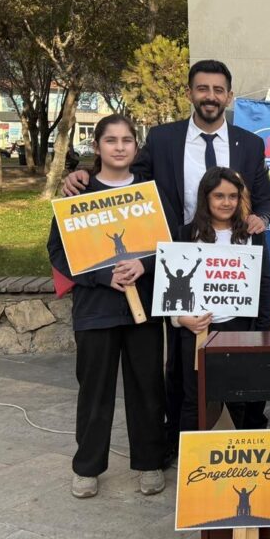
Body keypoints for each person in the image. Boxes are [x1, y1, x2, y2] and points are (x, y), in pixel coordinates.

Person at [62, 60, 270, 458]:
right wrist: (83, 179)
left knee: (240, 364)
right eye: (202, 88)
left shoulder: (250, 144)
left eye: (218, 90)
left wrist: (259, 217)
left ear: (229, 96)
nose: (210, 96)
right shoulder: (163, 139)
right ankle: (177, 446)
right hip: (177, 262)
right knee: (180, 365)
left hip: (233, 267)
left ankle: (246, 445)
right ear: (190, 93)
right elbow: (124, 179)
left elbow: (264, 198)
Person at [47, 113, 167, 500]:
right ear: (97, 146)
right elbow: (58, 252)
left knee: (147, 389)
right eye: (111, 140)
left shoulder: (150, 194)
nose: (119, 147)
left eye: (126, 140)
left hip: (144, 310)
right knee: (95, 392)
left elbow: (170, 245)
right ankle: (87, 467)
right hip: (95, 311)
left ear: (136, 146)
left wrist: (144, 265)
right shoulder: (79, 193)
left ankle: (149, 462)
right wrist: (102, 276)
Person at [170, 166, 270, 434]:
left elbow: (264, 283)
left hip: (240, 328)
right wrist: (181, 319)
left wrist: (262, 330)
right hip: (197, 329)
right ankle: (192, 457)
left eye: (232, 196)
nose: (226, 202)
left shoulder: (253, 235)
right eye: (219, 196)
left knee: (236, 399)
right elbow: (171, 287)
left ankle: (231, 457)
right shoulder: (185, 234)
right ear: (206, 197)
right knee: (195, 400)